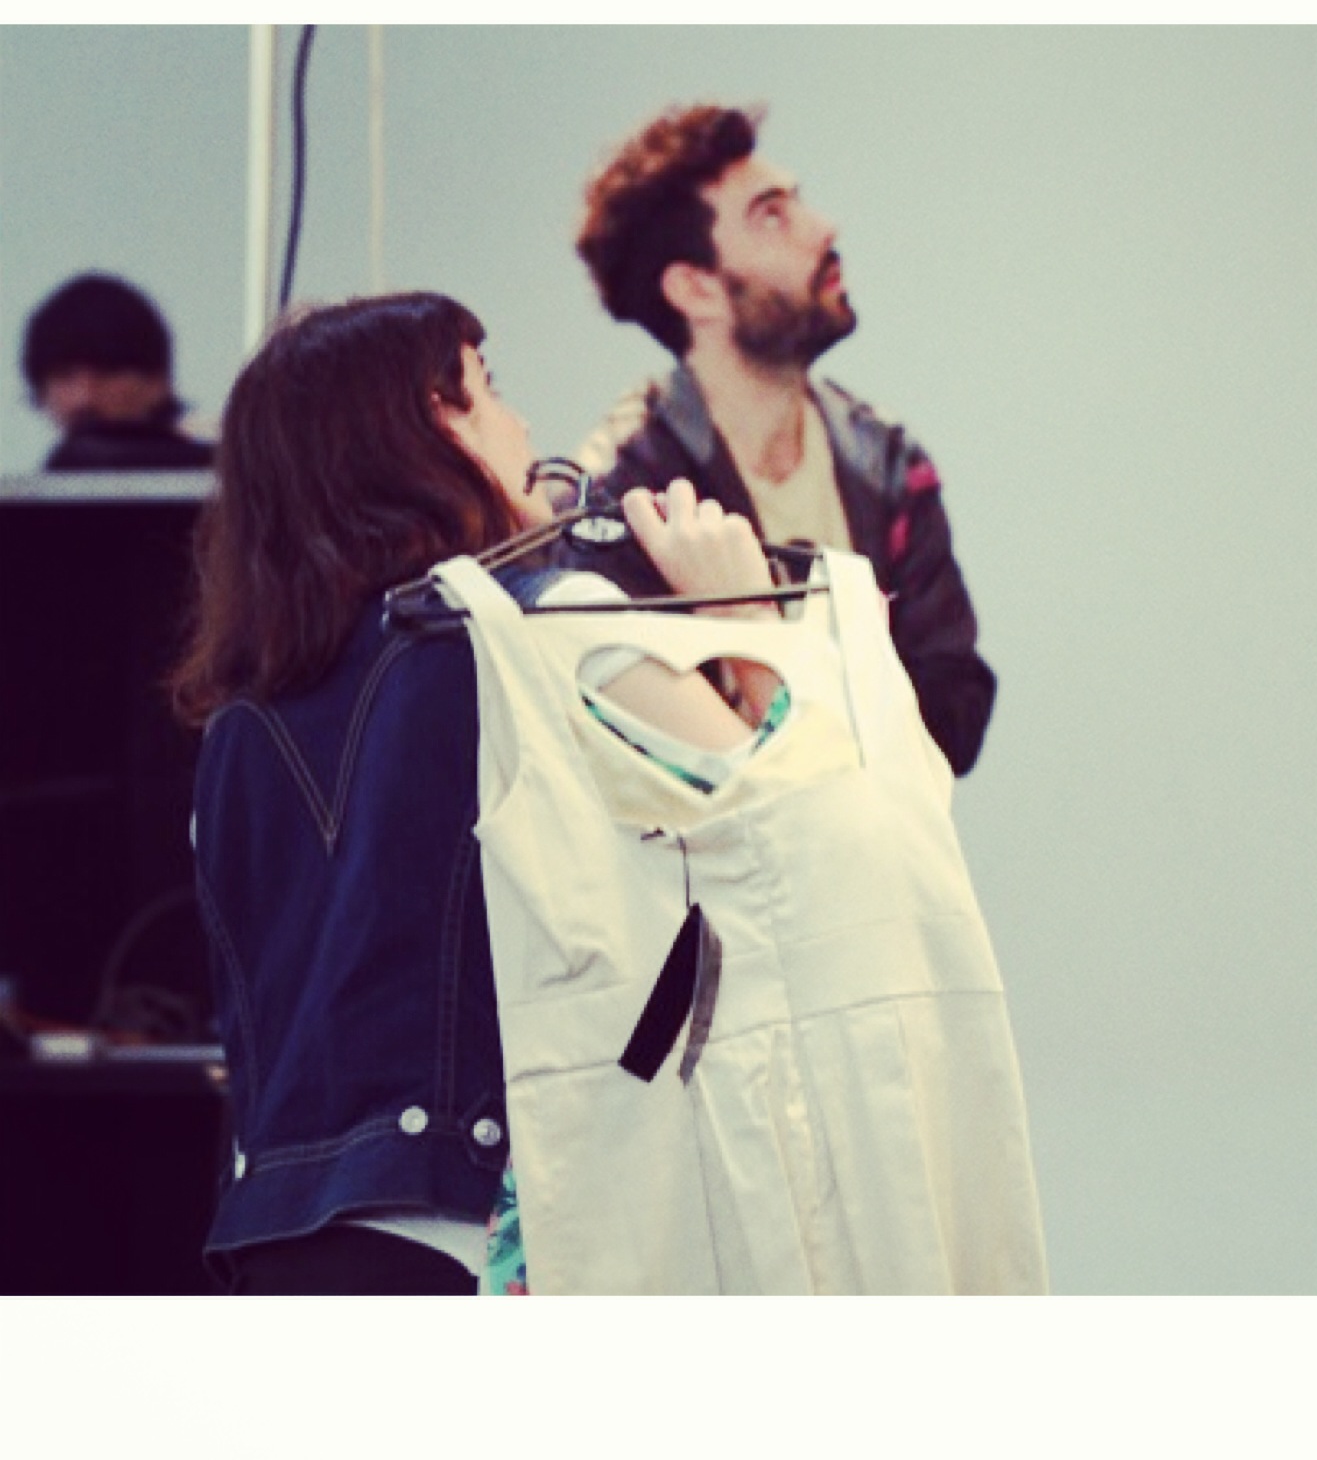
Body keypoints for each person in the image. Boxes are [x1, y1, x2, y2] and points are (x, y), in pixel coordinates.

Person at [175, 291, 1041, 1295]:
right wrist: (745, 618)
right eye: (490, 390)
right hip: (472, 1245)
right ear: (433, 423)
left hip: (275, 1249)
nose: (523, 426)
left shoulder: (235, 730)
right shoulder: (544, 634)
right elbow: (824, 839)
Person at [571, 103, 996, 775]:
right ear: (696, 288)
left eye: (798, 203)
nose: (823, 227)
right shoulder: (620, 502)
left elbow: (956, 709)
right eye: (771, 215)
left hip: (870, 840)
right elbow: (645, 754)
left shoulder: (886, 464)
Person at [20, 274, 215, 470]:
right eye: (64, 376)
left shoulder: (215, 476)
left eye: (106, 373)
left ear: (157, 382)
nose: (84, 399)